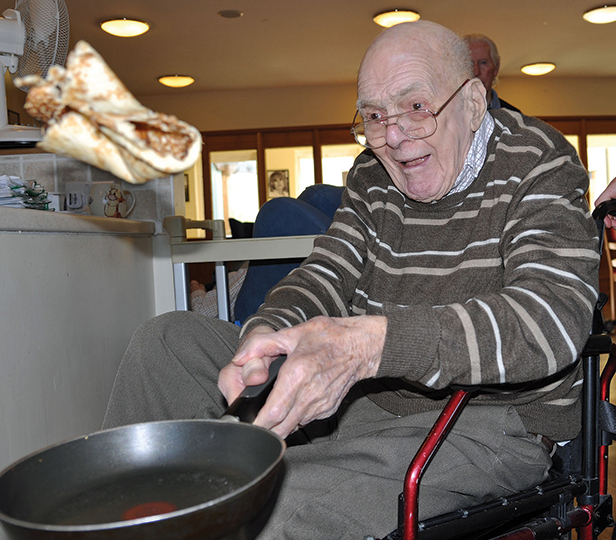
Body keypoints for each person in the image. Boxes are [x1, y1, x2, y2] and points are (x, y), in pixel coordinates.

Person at [103, 20, 599, 539]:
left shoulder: (541, 160)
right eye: (374, 116)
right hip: (367, 401)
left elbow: (551, 320)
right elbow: (326, 270)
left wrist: (371, 345)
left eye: (416, 106)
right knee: (166, 344)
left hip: (484, 424)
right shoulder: (372, 173)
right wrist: (268, 336)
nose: (392, 136)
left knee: (264, 505)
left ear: (474, 101)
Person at [464, 33, 521, 112]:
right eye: (470, 64)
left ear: (496, 68)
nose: (476, 72)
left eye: (483, 63)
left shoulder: (514, 117)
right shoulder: (444, 113)